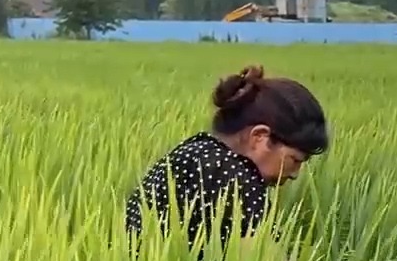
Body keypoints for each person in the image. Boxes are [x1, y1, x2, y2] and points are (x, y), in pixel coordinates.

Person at [125, 65, 329, 246]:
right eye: (294, 160)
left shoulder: (193, 150)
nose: (295, 174)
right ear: (260, 137)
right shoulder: (235, 177)